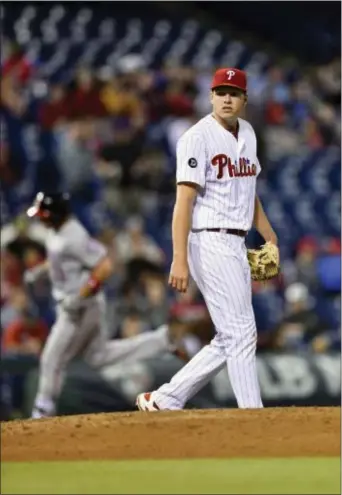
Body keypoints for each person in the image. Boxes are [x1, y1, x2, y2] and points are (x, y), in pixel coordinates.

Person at [136, 67, 278, 411]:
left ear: (244, 99)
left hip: (237, 241)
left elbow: (249, 192)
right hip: (208, 239)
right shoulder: (196, 137)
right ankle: (252, 414)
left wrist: (270, 238)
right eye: (220, 92)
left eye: (233, 93)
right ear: (211, 96)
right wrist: (179, 257)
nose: (226, 98)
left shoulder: (248, 133)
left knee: (230, 335)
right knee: (243, 332)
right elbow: (183, 202)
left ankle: (166, 398)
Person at [25, 192, 186, 419]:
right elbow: (59, 259)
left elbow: (104, 266)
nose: (41, 218)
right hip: (76, 305)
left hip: (80, 309)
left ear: (56, 213)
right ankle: (159, 340)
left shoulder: (75, 235)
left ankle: (42, 410)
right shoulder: (57, 231)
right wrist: (40, 271)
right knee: (98, 356)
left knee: (52, 358)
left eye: (44, 213)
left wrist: (81, 295)